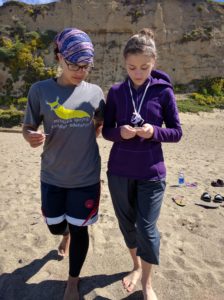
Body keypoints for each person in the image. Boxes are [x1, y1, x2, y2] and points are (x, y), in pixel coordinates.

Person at [22, 28, 105, 300]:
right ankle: (64, 233)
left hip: (86, 177)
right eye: (74, 65)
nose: (81, 71)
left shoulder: (95, 93)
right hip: (53, 175)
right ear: (59, 57)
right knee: (56, 226)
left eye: (86, 66)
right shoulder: (40, 90)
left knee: (81, 231)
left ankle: (72, 280)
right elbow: (28, 127)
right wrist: (30, 137)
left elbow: (100, 123)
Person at [102, 28, 182, 300]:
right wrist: (119, 132)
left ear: (154, 63)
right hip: (119, 172)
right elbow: (106, 131)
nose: (138, 73)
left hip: (151, 173)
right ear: (124, 63)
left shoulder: (164, 92)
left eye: (144, 67)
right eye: (132, 67)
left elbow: (177, 132)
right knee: (127, 227)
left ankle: (147, 283)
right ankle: (136, 266)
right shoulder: (115, 92)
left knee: (146, 230)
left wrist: (154, 132)